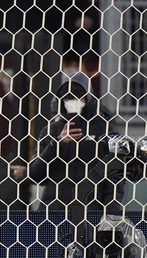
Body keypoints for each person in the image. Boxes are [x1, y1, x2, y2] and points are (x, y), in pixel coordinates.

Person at [10, 72, 121, 211]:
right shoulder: (51, 130)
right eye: (68, 98)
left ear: (88, 97)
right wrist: (58, 143)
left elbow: (115, 175)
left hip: (89, 213)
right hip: (53, 213)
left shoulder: (104, 129)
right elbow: (36, 176)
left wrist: (111, 212)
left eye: (77, 96)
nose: (73, 102)